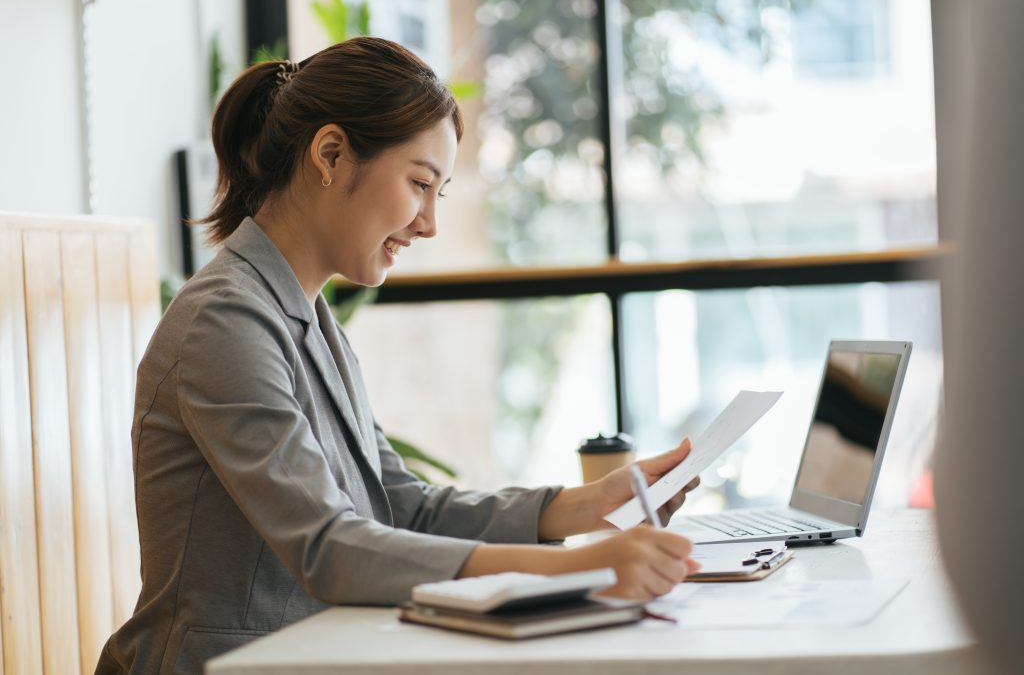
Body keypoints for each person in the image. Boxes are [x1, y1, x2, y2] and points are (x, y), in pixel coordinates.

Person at [95, 36, 700, 675]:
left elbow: (400, 505)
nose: (430, 223)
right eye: (420, 183)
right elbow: (328, 548)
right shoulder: (225, 319)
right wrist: (574, 567)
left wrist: (581, 507)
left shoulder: (306, 316)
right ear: (329, 154)